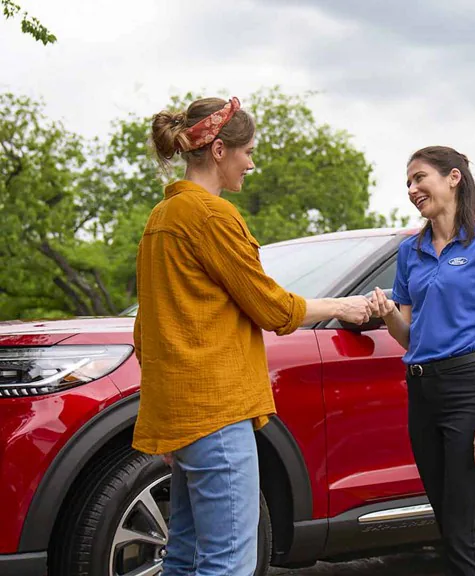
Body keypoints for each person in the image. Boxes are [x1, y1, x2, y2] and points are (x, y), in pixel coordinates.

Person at [132, 96, 372, 576]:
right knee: (228, 563)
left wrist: (172, 420)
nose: (251, 163)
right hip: (218, 413)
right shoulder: (211, 216)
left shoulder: (161, 218)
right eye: (248, 152)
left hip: (183, 417)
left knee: (183, 556)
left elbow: (145, 333)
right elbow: (271, 307)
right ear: (219, 150)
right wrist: (342, 306)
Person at [369, 146, 475, 576]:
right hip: (421, 392)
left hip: (466, 390)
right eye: (408, 183)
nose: (412, 189)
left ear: (453, 178)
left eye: (420, 178)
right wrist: (387, 314)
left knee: (461, 531)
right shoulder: (410, 251)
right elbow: (409, 336)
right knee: (447, 524)